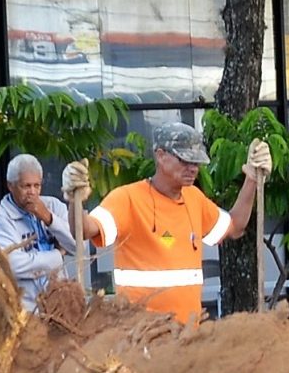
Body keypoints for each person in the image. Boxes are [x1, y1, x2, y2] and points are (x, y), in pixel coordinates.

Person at [60, 122, 267, 323]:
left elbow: (236, 226)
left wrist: (251, 178)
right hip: (141, 336)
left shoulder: (194, 198)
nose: (193, 169)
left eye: (196, 163)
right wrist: (74, 201)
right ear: (160, 155)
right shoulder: (127, 198)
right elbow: (85, 229)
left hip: (187, 337)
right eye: (185, 160)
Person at [0, 153, 79, 310]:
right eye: (26, 186)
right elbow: (13, 265)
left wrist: (49, 218)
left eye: (37, 185)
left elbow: (77, 245)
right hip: (25, 309)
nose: (33, 192)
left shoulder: (54, 206)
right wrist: (57, 256)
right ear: (10, 186)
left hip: (60, 303)